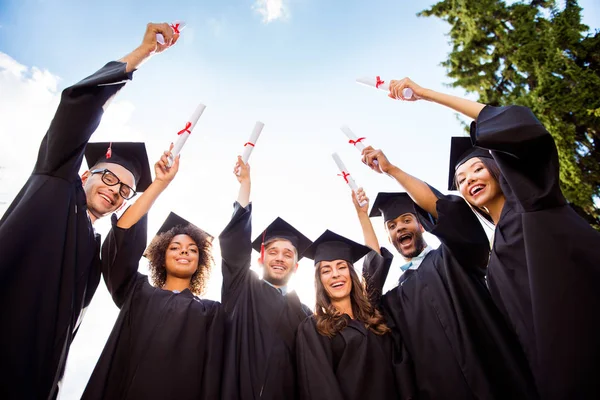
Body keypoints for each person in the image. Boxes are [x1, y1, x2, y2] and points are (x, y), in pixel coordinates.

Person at [386, 77, 600, 399]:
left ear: (496, 167)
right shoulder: (492, 258)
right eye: (460, 179)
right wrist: (390, 170)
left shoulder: (532, 203)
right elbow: (439, 206)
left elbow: (512, 124)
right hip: (556, 378)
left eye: (476, 169)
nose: (469, 179)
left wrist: (426, 94)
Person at [0, 22, 178, 399]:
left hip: (35, 379)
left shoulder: (94, 254)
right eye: (110, 179)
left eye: (126, 191)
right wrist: (141, 54)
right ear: (85, 173)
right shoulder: (54, 184)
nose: (116, 192)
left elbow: (126, 241)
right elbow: (75, 111)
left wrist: (158, 185)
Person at [355, 148, 537, 399]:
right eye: (392, 226)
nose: (400, 229)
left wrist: (391, 171)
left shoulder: (454, 257)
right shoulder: (395, 299)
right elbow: (369, 292)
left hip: (502, 383)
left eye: (406, 220)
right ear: (389, 238)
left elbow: (446, 211)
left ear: (421, 224)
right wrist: (363, 217)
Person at [81, 148, 224, 399]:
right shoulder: (136, 291)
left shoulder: (212, 312)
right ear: (160, 255)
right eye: (175, 247)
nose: (184, 252)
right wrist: (158, 185)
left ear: (200, 261)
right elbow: (124, 233)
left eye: (192, 250)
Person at [219, 156, 313, 399]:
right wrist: (245, 185)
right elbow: (235, 245)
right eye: (272, 252)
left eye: (287, 254)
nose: (280, 258)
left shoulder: (305, 314)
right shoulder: (242, 288)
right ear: (260, 259)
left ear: (296, 265)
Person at [296, 229, 416, 400]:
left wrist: (362, 214)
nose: (336, 274)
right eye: (326, 270)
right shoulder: (314, 329)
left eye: (341, 267)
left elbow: (402, 372)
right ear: (319, 280)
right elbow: (320, 388)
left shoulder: (374, 319)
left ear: (351, 274)